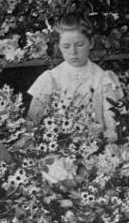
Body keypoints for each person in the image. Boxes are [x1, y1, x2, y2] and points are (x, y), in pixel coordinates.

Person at [27, 13, 122, 142]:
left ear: (91, 43)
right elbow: (33, 120)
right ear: (59, 46)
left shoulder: (102, 78)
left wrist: (108, 135)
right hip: (58, 143)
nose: (73, 52)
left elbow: (111, 119)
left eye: (80, 45)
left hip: (96, 142)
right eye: (66, 46)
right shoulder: (51, 78)